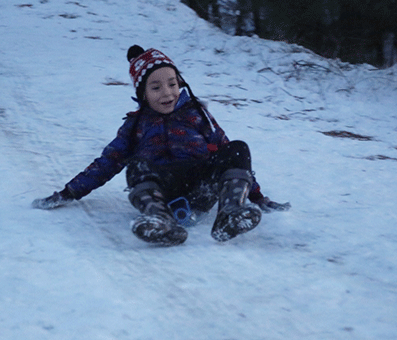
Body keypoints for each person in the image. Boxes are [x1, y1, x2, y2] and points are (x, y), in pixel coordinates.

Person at [32, 45, 290, 246]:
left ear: (181, 84)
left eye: (172, 84)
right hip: (162, 192)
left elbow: (228, 153)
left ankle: (231, 212)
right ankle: (160, 220)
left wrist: (257, 196)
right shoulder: (135, 126)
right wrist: (68, 192)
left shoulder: (197, 114)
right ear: (143, 93)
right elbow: (107, 163)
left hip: (201, 189)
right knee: (135, 166)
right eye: (156, 87)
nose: (167, 93)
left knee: (237, 147)